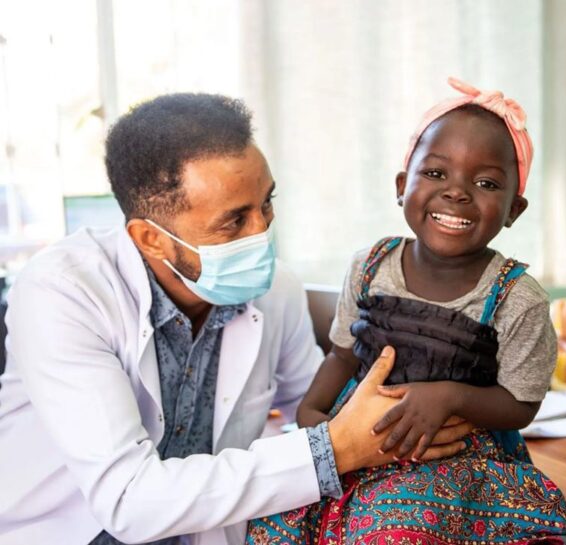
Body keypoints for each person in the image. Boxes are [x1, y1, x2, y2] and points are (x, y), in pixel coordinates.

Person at [0, 93, 470, 545]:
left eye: (266, 203)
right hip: (70, 532)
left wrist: (409, 411)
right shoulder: (64, 292)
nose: (262, 231)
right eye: (234, 220)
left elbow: (315, 408)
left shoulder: (274, 289)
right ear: (150, 238)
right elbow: (129, 501)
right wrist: (335, 449)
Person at [247, 78, 566, 544]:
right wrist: (313, 410)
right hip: (360, 429)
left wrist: (449, 396)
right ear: (402, 186)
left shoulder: (518, 297)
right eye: (436, 174)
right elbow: (343, 354)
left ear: (513, 210)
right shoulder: (370, 265)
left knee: (398, 528)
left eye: (485, 183)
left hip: (453, 453)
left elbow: (521, 405)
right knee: (271, 516)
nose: (456, 193)